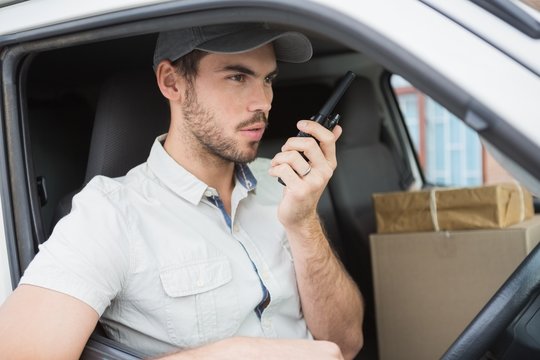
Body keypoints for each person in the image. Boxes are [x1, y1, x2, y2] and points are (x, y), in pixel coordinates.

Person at [0, 23, 364, 359]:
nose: (263, 102)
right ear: (171, 82)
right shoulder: (110, 214)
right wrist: (235, 354)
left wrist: (302, 223)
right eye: (238, 77)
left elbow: (347, 344)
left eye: (268, 79)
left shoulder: (281, 184)